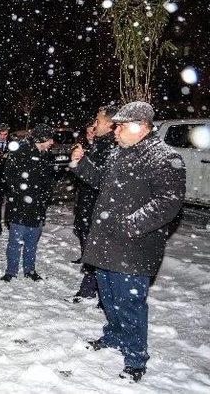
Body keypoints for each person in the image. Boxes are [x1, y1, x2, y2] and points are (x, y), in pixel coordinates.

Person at [70, 101, 185, 382]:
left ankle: (135, 357)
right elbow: (102, 181)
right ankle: (114, 335)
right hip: (106, 243)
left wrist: (131, 224)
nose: (115, 131)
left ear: (140, 127)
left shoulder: (164, 158)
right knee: (109, 298)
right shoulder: (119, 154)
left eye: (120, 126)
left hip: (135, 247)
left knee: (130, 304)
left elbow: (168, 203)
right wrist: (80, 164)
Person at [71, 105, 118, 303]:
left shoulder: (110, 146)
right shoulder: (101, 144)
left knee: (99, 253)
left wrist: (80, 162)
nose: (95, 125)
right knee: (93, 250)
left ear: (108, 123)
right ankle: (92, 289)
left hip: (99, 210)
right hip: (91, 207)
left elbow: (99, 179)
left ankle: (101, 295)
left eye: (98, 121)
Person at [0, 123, 55, 282]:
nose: (52, 142)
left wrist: (44, 197)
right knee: (15, 242)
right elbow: (9, 175)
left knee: (32, 241)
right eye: (50, 138)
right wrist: (22, 192)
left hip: (37, 207)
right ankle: (11, 271)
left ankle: (30, 270)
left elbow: (48, 181)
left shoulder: (45, 155)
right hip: (20, 206)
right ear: (42, 138)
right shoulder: (21, 151)